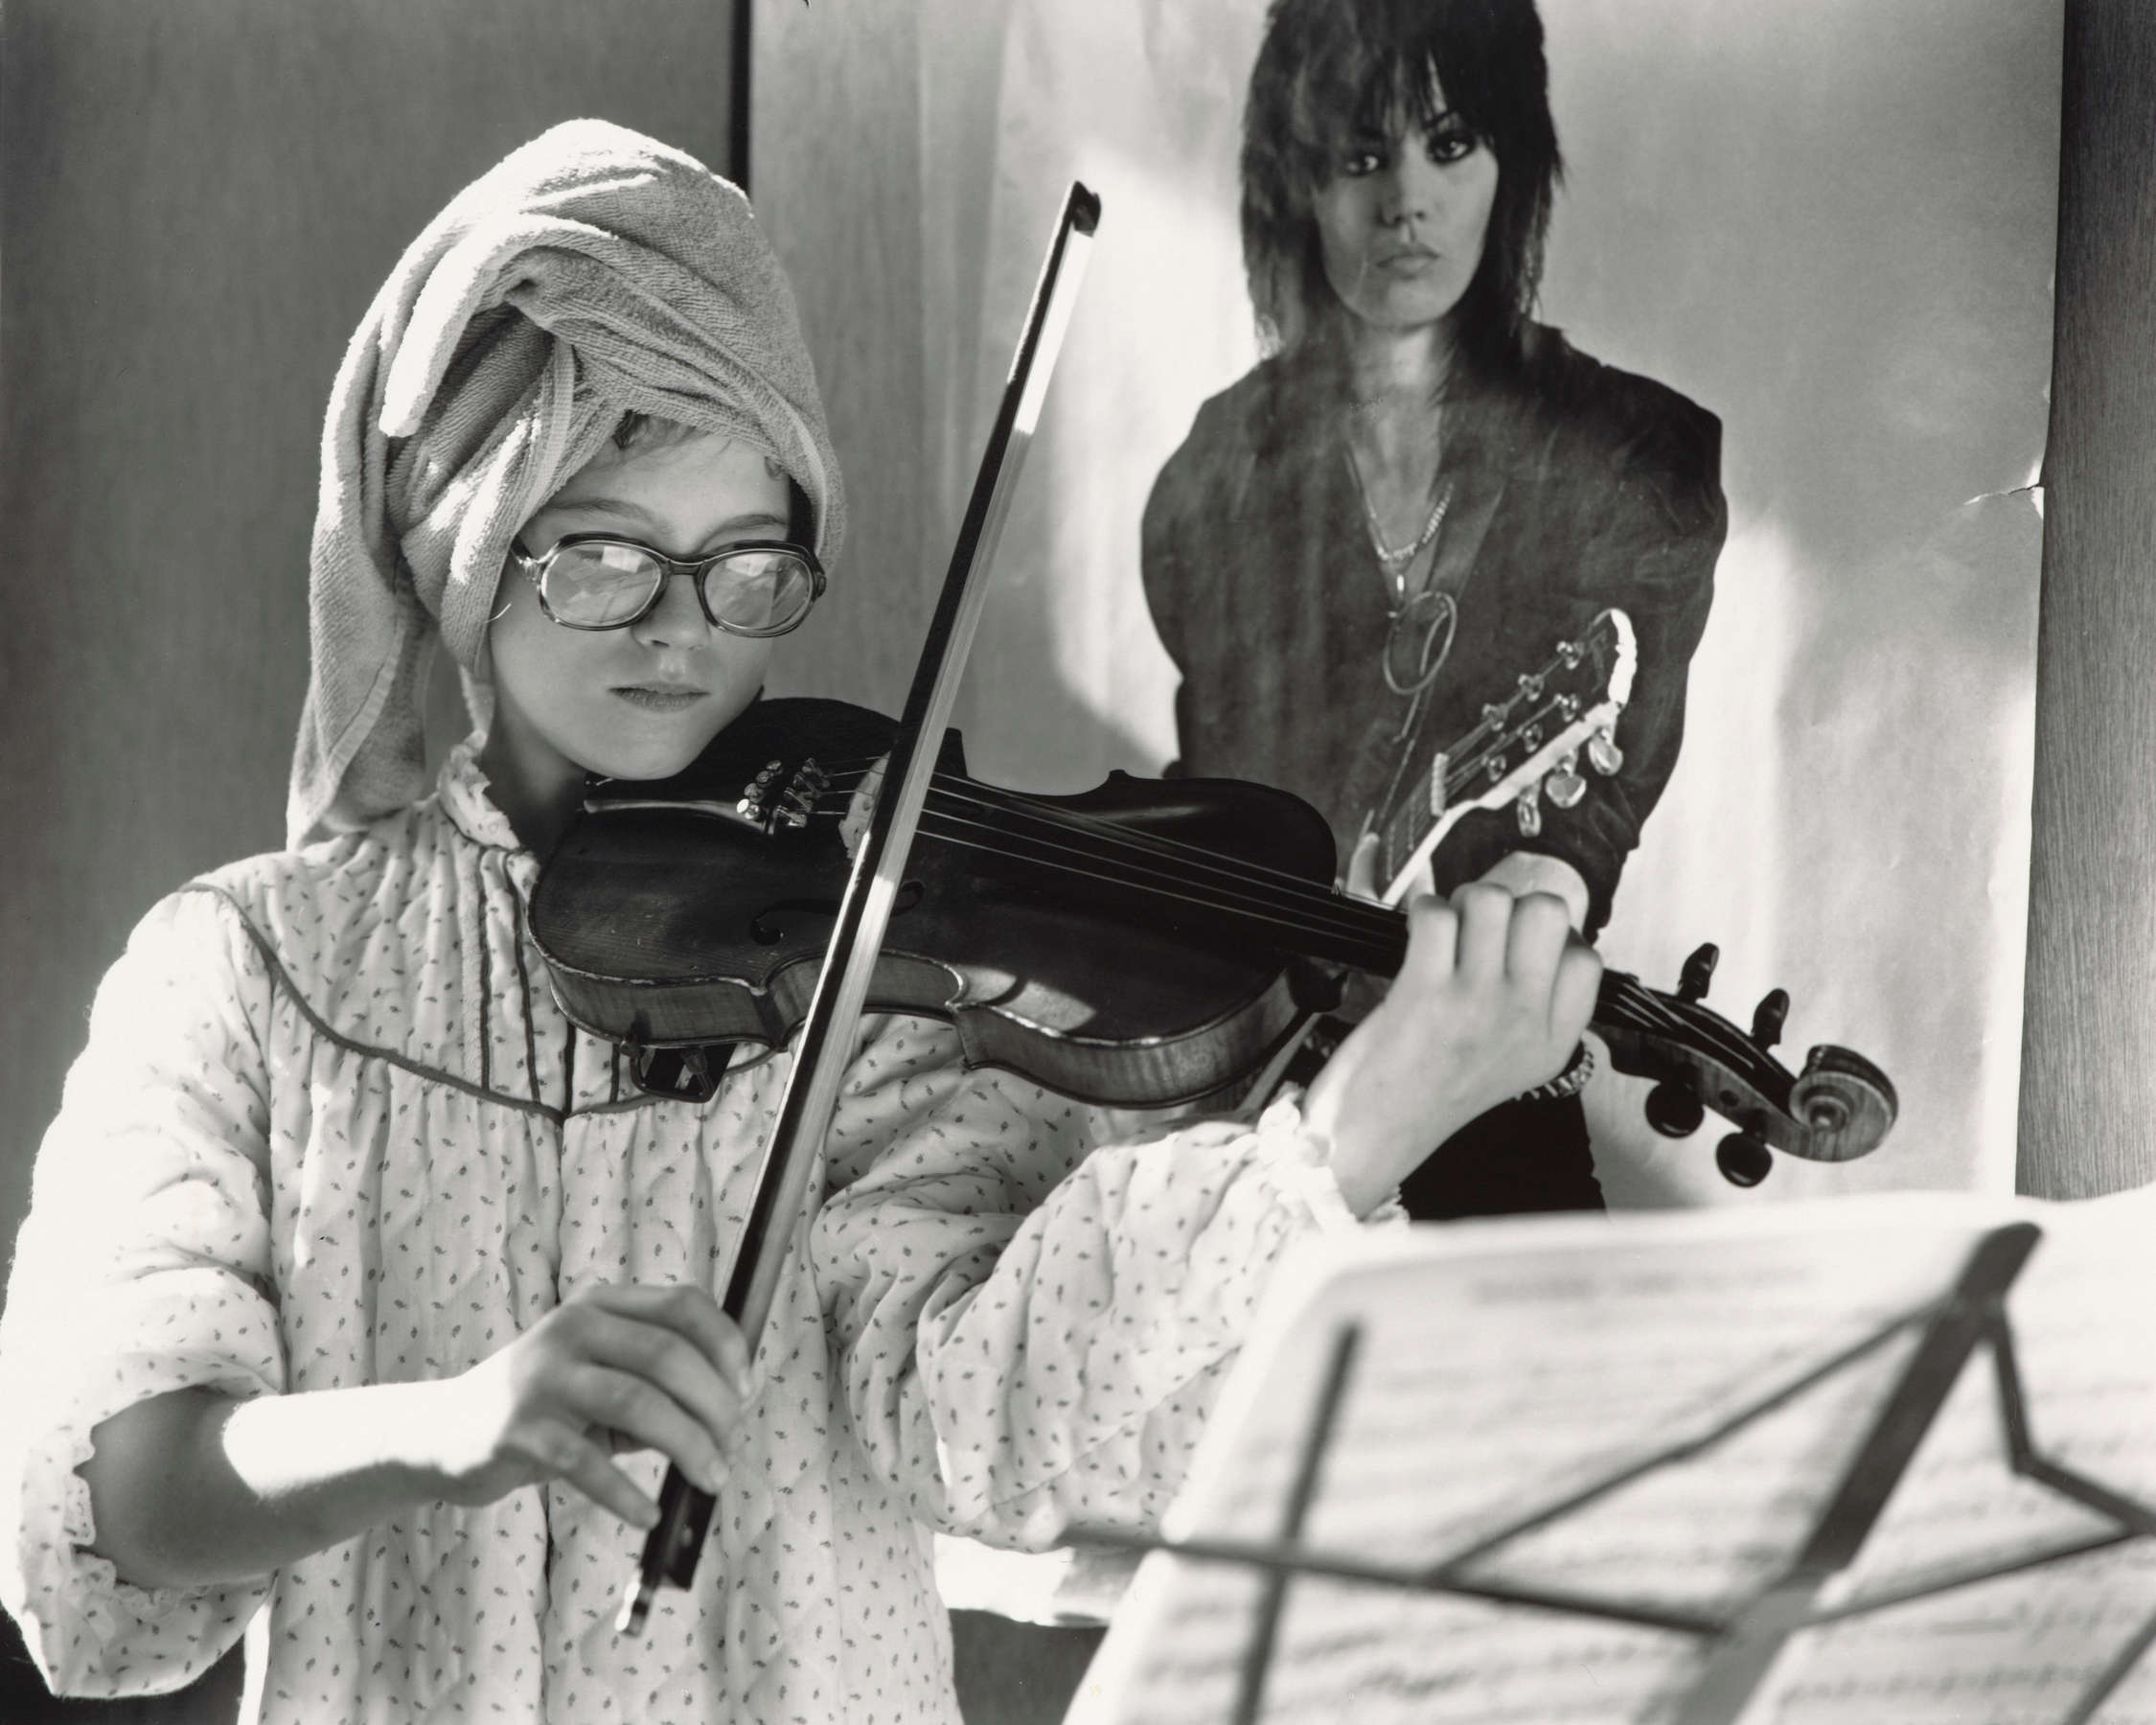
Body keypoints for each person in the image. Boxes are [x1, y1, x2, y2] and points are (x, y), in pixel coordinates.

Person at [0, 121, 1598, 1722]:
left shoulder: (877, 956)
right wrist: (451, 1425)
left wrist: (1348, 1138)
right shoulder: (253, 973)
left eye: (748, 566)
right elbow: (125, 1497)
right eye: (607, 561)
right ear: (460, 543)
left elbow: (995, 1428)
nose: (687, 632)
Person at [1142, 0, 1726, 1223]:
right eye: (1362, 157)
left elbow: (1585, 830)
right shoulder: (1212, 480)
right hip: (1237, 1110)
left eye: (1450, 144)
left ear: (1510, 163)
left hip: (1484, 1097)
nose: (1405, 201)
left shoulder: (1638, 460)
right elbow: (1227, 813)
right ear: (1296, 185)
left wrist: (1538, 892)